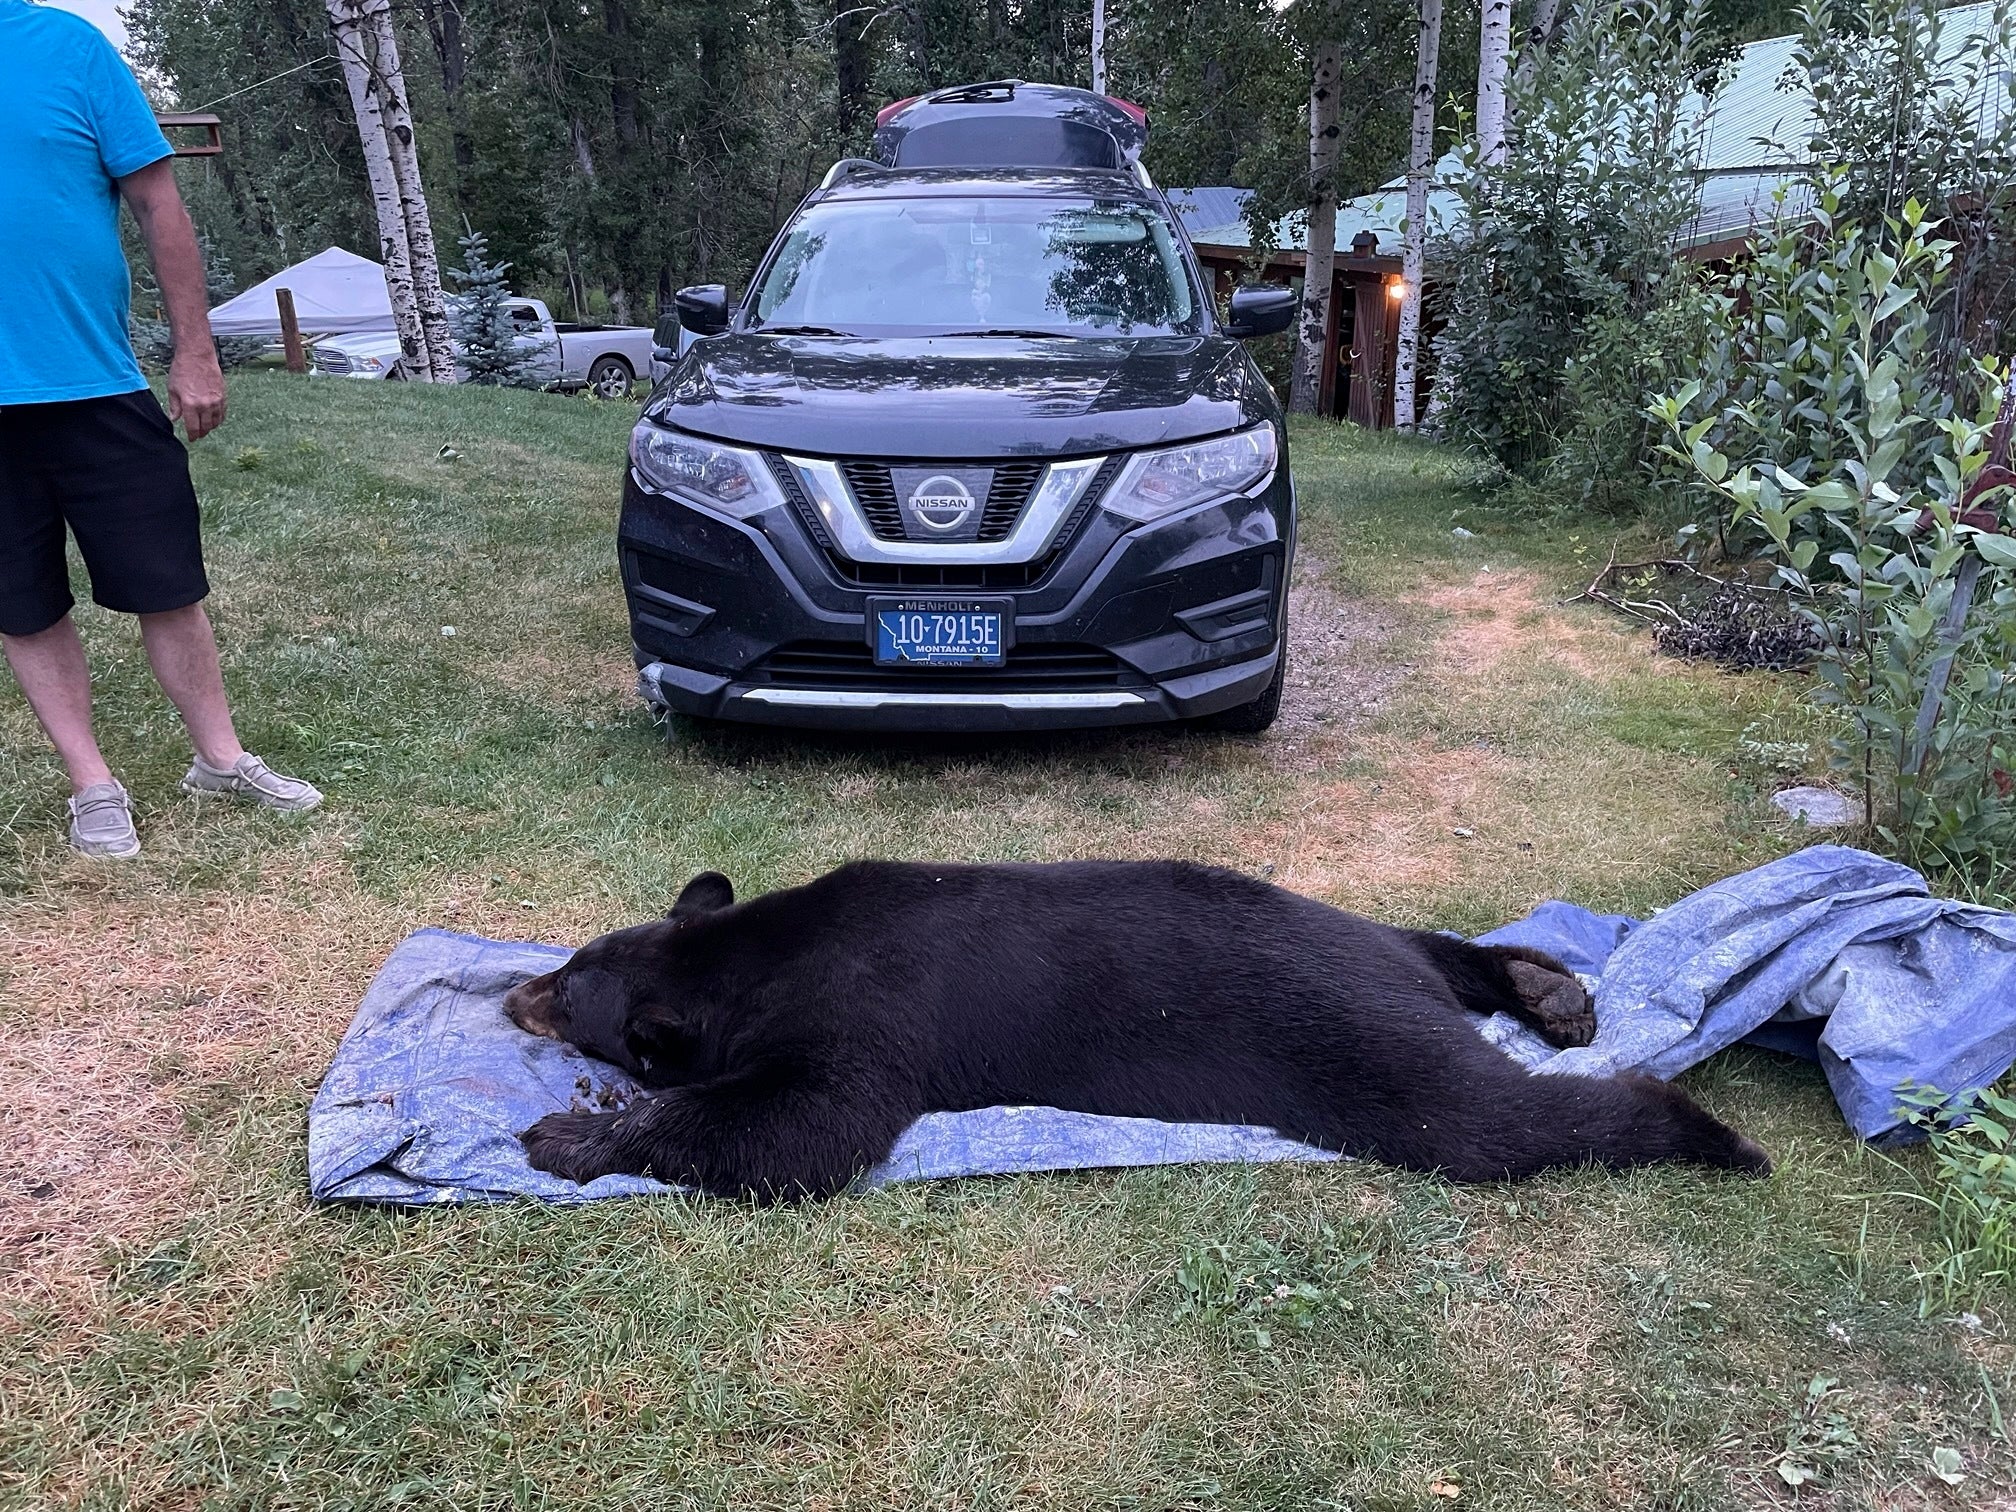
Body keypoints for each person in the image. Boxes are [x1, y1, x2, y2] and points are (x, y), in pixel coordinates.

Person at [0, 0, 321, 859]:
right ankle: (91, 784)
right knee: (21, 601)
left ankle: (220, 758)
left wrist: (196, 351)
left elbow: (157, 203)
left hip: (95, 382)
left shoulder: (68, 46)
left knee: (167, 581)